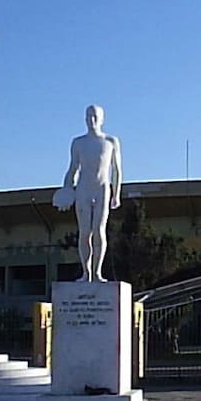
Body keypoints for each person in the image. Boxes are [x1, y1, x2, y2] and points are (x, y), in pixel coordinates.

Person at [55, 105, 122, 282]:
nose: (91, 120)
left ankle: (97, 272)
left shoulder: (110, 141)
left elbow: (116, 170)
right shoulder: (78, 143)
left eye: (95, 116)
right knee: (85, 232)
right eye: (88, 116)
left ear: (102, 119)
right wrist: (67, 190)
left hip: (102, 188)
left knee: (99, 230)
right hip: (83, 189)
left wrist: (116, 194)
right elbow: (73, 168)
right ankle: (86, 273)